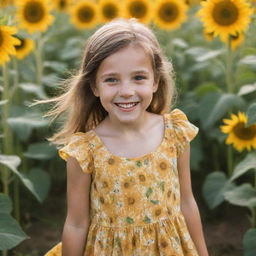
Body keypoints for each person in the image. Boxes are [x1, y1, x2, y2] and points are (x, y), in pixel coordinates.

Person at [44, 18, 209, 256]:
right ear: (94, 87)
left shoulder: (174, 133)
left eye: (139, 77)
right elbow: (76, 223)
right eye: (111, 79)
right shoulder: (85, 151)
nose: (126, 91)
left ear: (156, 81)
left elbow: (187, 203)